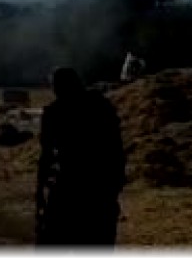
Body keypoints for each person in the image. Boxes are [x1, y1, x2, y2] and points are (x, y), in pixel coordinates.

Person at [35, 67, 126, 247]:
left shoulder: (55, 112)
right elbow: (117, 149)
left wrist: (39, 190)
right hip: (100, 189)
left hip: (70, 188)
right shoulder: (102, 106)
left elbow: (46, 156)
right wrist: (116, 183)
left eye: (55, 86)